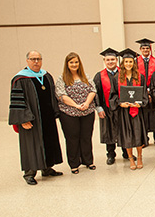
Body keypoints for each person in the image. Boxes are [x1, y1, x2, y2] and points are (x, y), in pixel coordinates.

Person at [9, 51, 64, 185]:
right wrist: (23, 118)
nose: (36, 62)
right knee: (31, 144)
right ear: (27, 60)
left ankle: (47, 168)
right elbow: (17, 100)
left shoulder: (46, 76)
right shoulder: (20, 79)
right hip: (31, 119)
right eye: (33, 59)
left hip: (47, 117)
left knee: (48, 141)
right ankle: (29, 173)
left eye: (38, 59)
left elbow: (52, 96)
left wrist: (55, 111)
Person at [56, 52, 97, 174]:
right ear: (67, 64)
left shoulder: (86, 76)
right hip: (69, 113)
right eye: (71, 62)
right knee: (72, 138)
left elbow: (93, 90)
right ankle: (74, 164)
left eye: (76, 62)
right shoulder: (62, 78)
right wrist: (76, 105)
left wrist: (86, 103)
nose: (74, 64)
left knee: (86, 137)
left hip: (87, 112)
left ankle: (88, 161)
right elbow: (61, 95)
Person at [110, 48, 149, 170]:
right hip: (124, 112)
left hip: (136, 111)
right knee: (127, 136)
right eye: (126, 62)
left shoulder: (140, 77)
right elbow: (113, 95)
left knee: (137, 134)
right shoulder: (117, 78)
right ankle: (131, 158)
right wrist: (120, 103)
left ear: (134, 63)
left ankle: (140, 157)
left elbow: (144, 94)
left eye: (130, 62)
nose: (128, 64)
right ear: (122, 63)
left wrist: (141, 103)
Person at [93, 48, 129, 165]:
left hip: (121, 108)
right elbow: (96, 93)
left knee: (123, 130)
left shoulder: (123, 73)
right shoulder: (99, 76)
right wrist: (99, 108)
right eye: (108, 60)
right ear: (104, 61)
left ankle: (126, 152)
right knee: (109, 132)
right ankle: (111, 155)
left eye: (112, 59)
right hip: (107, 109)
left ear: (117, 60)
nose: (110, 62)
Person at [135, 38, 155, 147]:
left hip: (154, 91)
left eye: (147, 48)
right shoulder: (135, 62)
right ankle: (144, 139)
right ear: (140, 49)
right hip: (141, 93)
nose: (145, 50)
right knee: (143, 117)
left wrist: (150, 91)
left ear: (150, 49)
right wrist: (144, 92)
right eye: (143, 48)